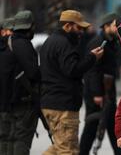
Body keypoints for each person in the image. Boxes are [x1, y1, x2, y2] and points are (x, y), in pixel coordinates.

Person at [40, 10, 104, 155]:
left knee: (59, 147)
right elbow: (73, 70)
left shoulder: (50, 41)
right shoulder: (64, 44)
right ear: (68, 26)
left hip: (51, 102)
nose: (81, 32)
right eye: (78, 28)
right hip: (63, 105)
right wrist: (92, 58)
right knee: (68, 150)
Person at [80, 13, 121, 155]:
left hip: (108, 92)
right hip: (97, 95)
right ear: (106, 26)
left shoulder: (113, 42)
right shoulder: (98, 42)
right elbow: (92, 70)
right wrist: (97, 93)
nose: (118, 28)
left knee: (113, 127)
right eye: (115, 25)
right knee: (91, 128)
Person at [0, 11, 40, 155]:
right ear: (30, 26)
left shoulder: (5, 44)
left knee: (6, 139)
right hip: (21, 102)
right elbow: (34, 73)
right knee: (20, 140)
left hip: (6, 102)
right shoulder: (22, 44)